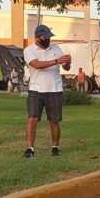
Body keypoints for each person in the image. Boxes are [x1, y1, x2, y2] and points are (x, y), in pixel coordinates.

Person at [22, 25, 71, 158]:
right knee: (32, 118)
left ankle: (55, 147)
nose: (48, 39)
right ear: (37, 37)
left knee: (54, 120)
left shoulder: (56, 48)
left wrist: (67, 63)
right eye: (45, 37)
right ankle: (30, 149)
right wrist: (57, 61)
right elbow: (36, 65)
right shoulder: (29, 50)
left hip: (54, 89)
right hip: (36, 90)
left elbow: (65, 68)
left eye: (49, 37)